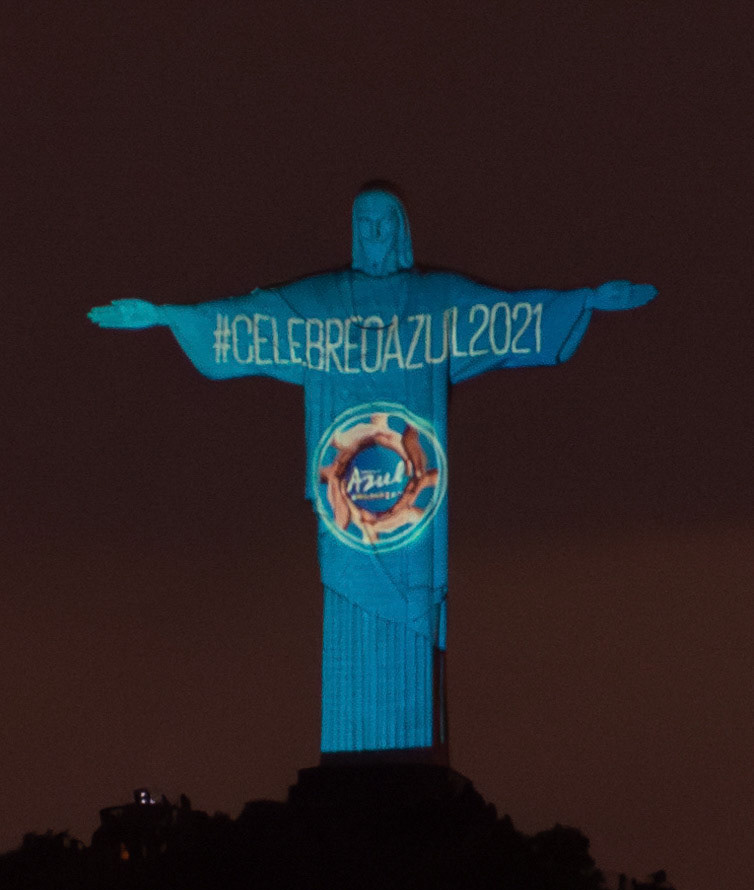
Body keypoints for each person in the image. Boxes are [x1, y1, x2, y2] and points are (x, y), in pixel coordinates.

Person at [89, 187, 657, 764]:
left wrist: (584, 300)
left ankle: (404, 746)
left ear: (402, 228)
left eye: (385, 222)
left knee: (414, 657)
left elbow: (508, 316)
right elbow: (249, 319)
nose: (375, 234)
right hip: (348, 526)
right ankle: (357, 750)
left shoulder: (434, 300)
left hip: (412, 526)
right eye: (364, 223)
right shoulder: (324, 302)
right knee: (348, 633)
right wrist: (163, 316)